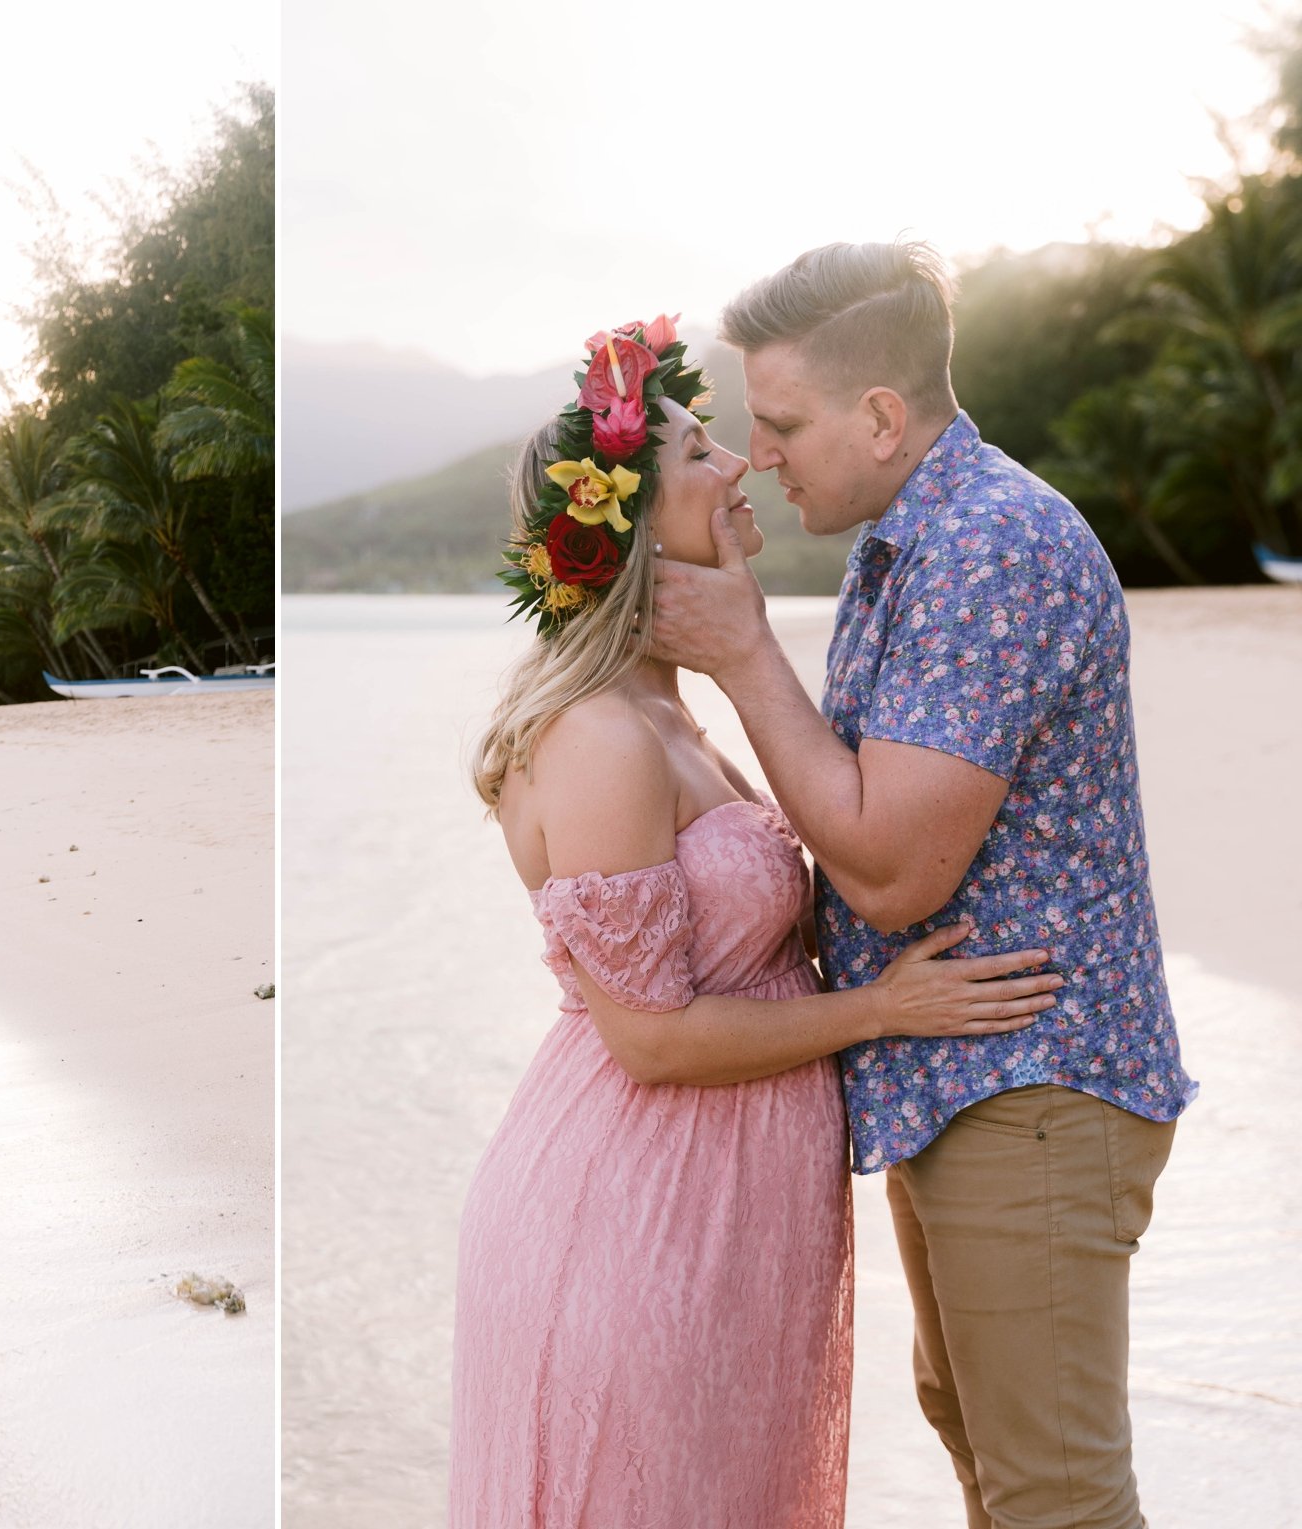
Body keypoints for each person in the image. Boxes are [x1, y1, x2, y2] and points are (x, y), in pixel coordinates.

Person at [450, 320, 1065, 1527]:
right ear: (623, 524)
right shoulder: (600, 736)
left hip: (731, 1214)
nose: (737, 465)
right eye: (697, 455)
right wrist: (885, 1008)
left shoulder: (672, 716)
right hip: (636, 1215)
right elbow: (651, 1039)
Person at [650, 243, 1198, 1529]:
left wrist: (740, 653)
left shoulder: (985, 548)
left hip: (1033, 1076)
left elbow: (891, 867)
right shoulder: (912, 541)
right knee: (985, 1448)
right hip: (966, 1067)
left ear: (881, 415)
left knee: (1053, 1492)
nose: (761, 455)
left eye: (780, 423)